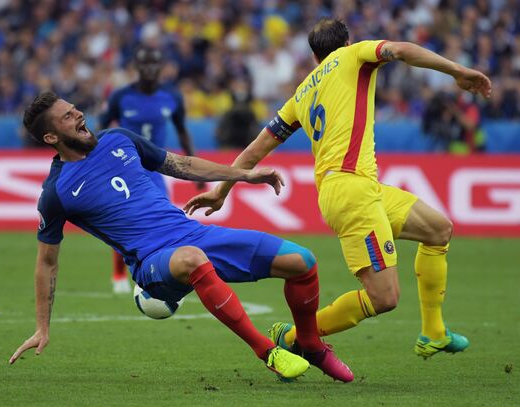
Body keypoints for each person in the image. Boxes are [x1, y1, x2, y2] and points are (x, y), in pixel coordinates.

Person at [184, 17, 492, 359]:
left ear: (315, 57)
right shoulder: (354, 56)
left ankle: (433, 332)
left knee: (438, 230)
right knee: (384, 298)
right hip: (351, 191)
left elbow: (256, 149)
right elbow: (402, 50)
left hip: (357, 187)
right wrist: (458, 71)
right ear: (345, 44)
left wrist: (221, 191)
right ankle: (296, 336)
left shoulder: (300, 94)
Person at [8, 91, 353, 383]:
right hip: (152, 263)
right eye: (67, 116)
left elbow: (182, 164)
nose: (79, 114)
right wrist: (42, 327)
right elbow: (47, 262)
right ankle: (267, 351)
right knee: (192, 259)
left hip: (192, 234)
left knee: (302, 262)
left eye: (74, 108)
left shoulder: (118, 138)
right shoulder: (56, 192)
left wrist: (243, 175)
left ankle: (310, 345)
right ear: (51, 137)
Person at [99, 44, 203, 294]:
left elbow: (181, 130)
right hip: (124, 166)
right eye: (144, 63)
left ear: (161, 66)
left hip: (156, 168)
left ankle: (157, 273)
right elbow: (100, 130)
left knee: (162, 220)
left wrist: (194, 168)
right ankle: (118, 274)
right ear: (135, 67)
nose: (149, 68)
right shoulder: (120, 97)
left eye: (154, 63)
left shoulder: (172, 97)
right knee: (124, 221)